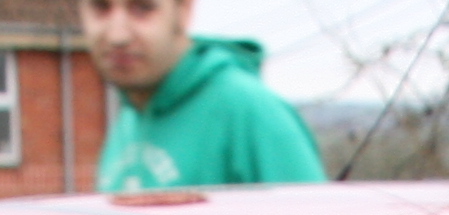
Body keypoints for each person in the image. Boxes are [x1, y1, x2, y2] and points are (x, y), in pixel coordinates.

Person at [81, 0, 328, 191]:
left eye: (142, 8)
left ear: (183, 11)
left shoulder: (250, 112)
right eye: (101, 7)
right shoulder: (129, 116)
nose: (117, 36)